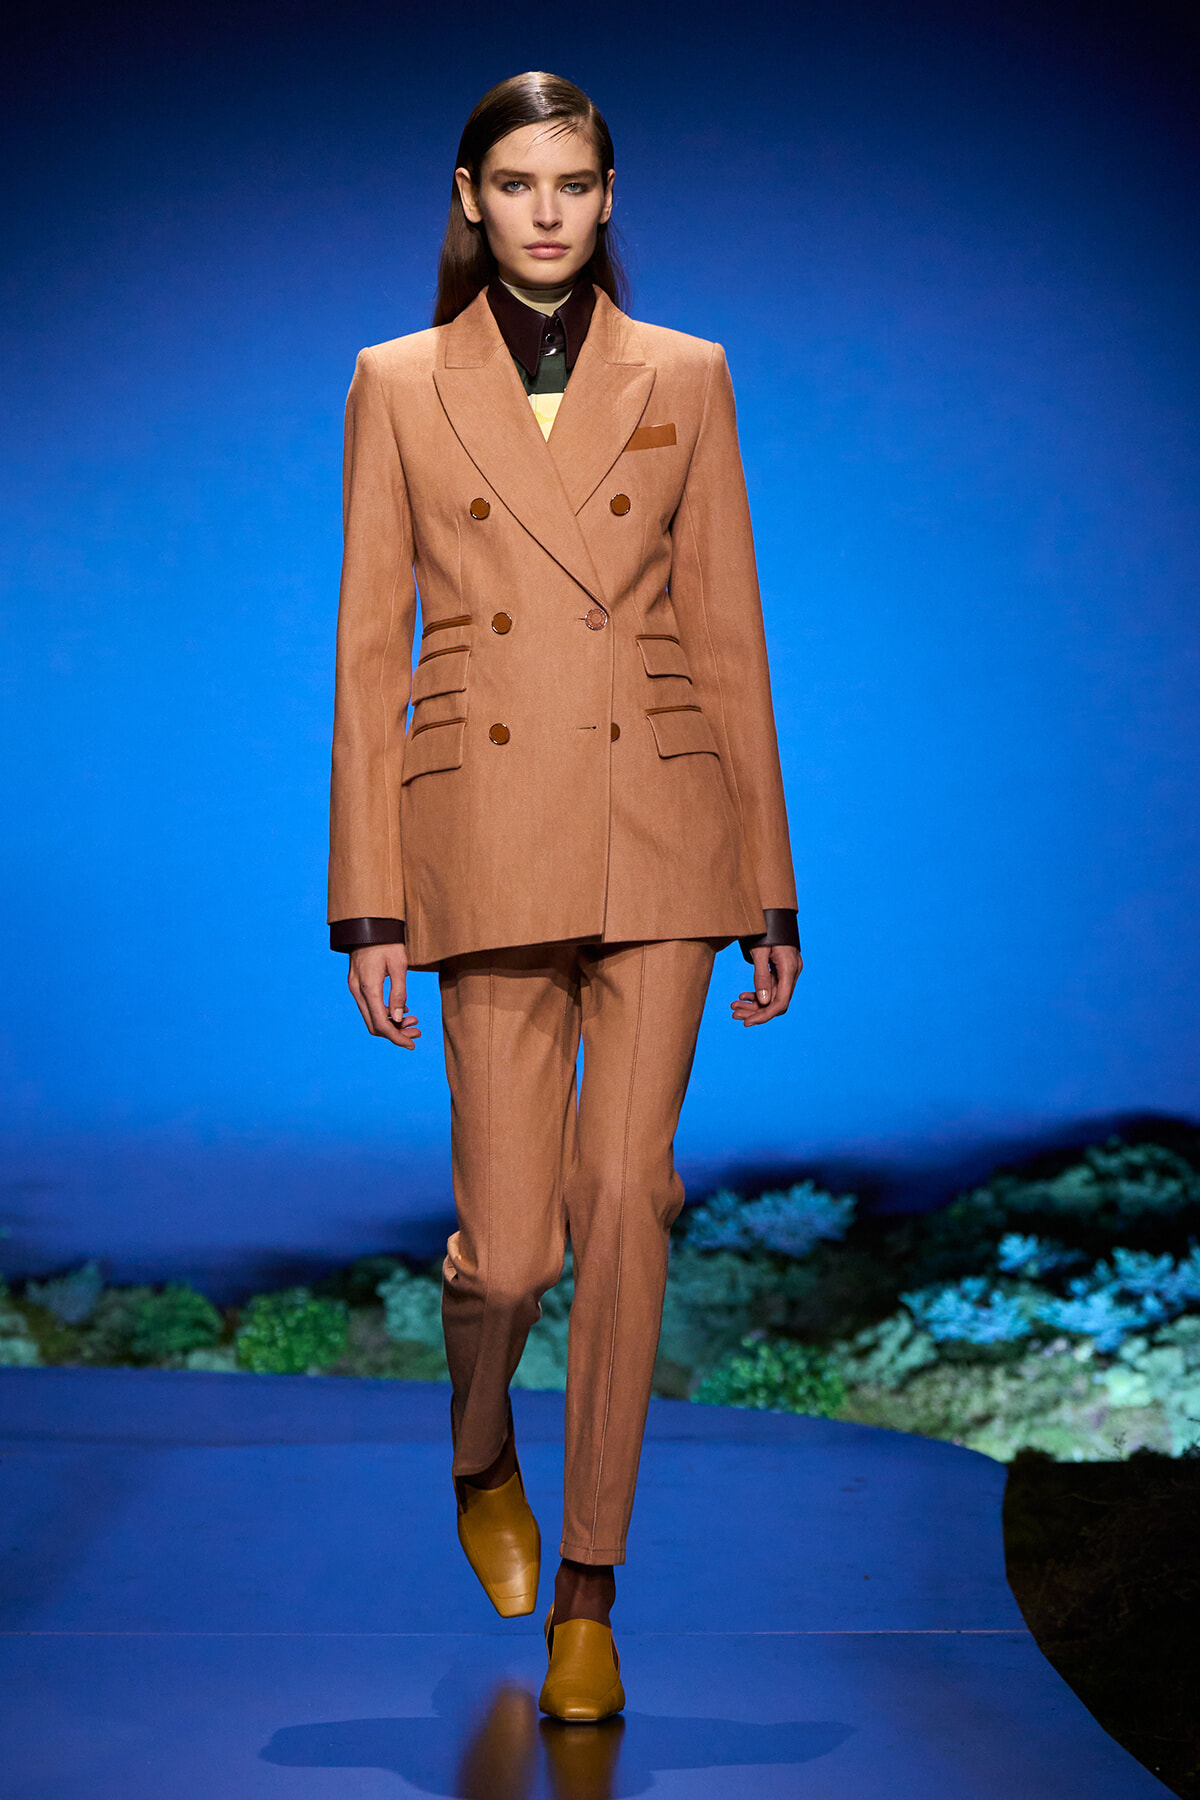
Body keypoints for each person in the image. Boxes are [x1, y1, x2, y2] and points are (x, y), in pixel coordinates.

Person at [328, 70, 800, 1723]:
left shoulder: (688, 373)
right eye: (519, 183)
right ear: (470, 197)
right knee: (512, 1254)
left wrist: (769, 887)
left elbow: (730, 632)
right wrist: (369, 902)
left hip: (662, 825)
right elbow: (367, 653)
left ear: (608, 199)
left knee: (627, 1201)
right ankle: (479, 1447)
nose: (548, 211)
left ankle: (591, 1589)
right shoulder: (396, 383)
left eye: (575, 184)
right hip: (480, 833)